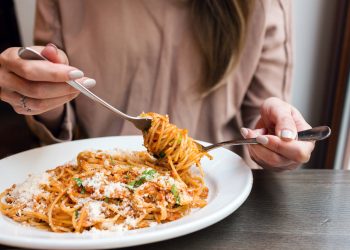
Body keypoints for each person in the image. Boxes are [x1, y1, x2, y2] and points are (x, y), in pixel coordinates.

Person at [0, 0, 314, 170]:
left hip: (213, 193)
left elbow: (260, 129)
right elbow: (55, 116)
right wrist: (40, 97)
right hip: (96, 185)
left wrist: (275, 147)